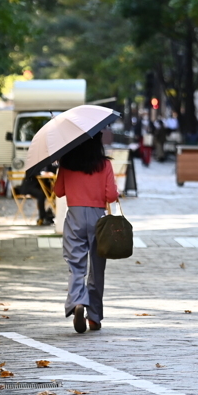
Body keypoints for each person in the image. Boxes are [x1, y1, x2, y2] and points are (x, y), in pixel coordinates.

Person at [53, 133, 119, 333]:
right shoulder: (104, 165)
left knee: (76, 264)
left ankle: (77, 302)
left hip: (75, 217)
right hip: (99, 218)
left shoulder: (67, 163)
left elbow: (58, 191)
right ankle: (94, 317)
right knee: (97, 269)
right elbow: (111, 195)